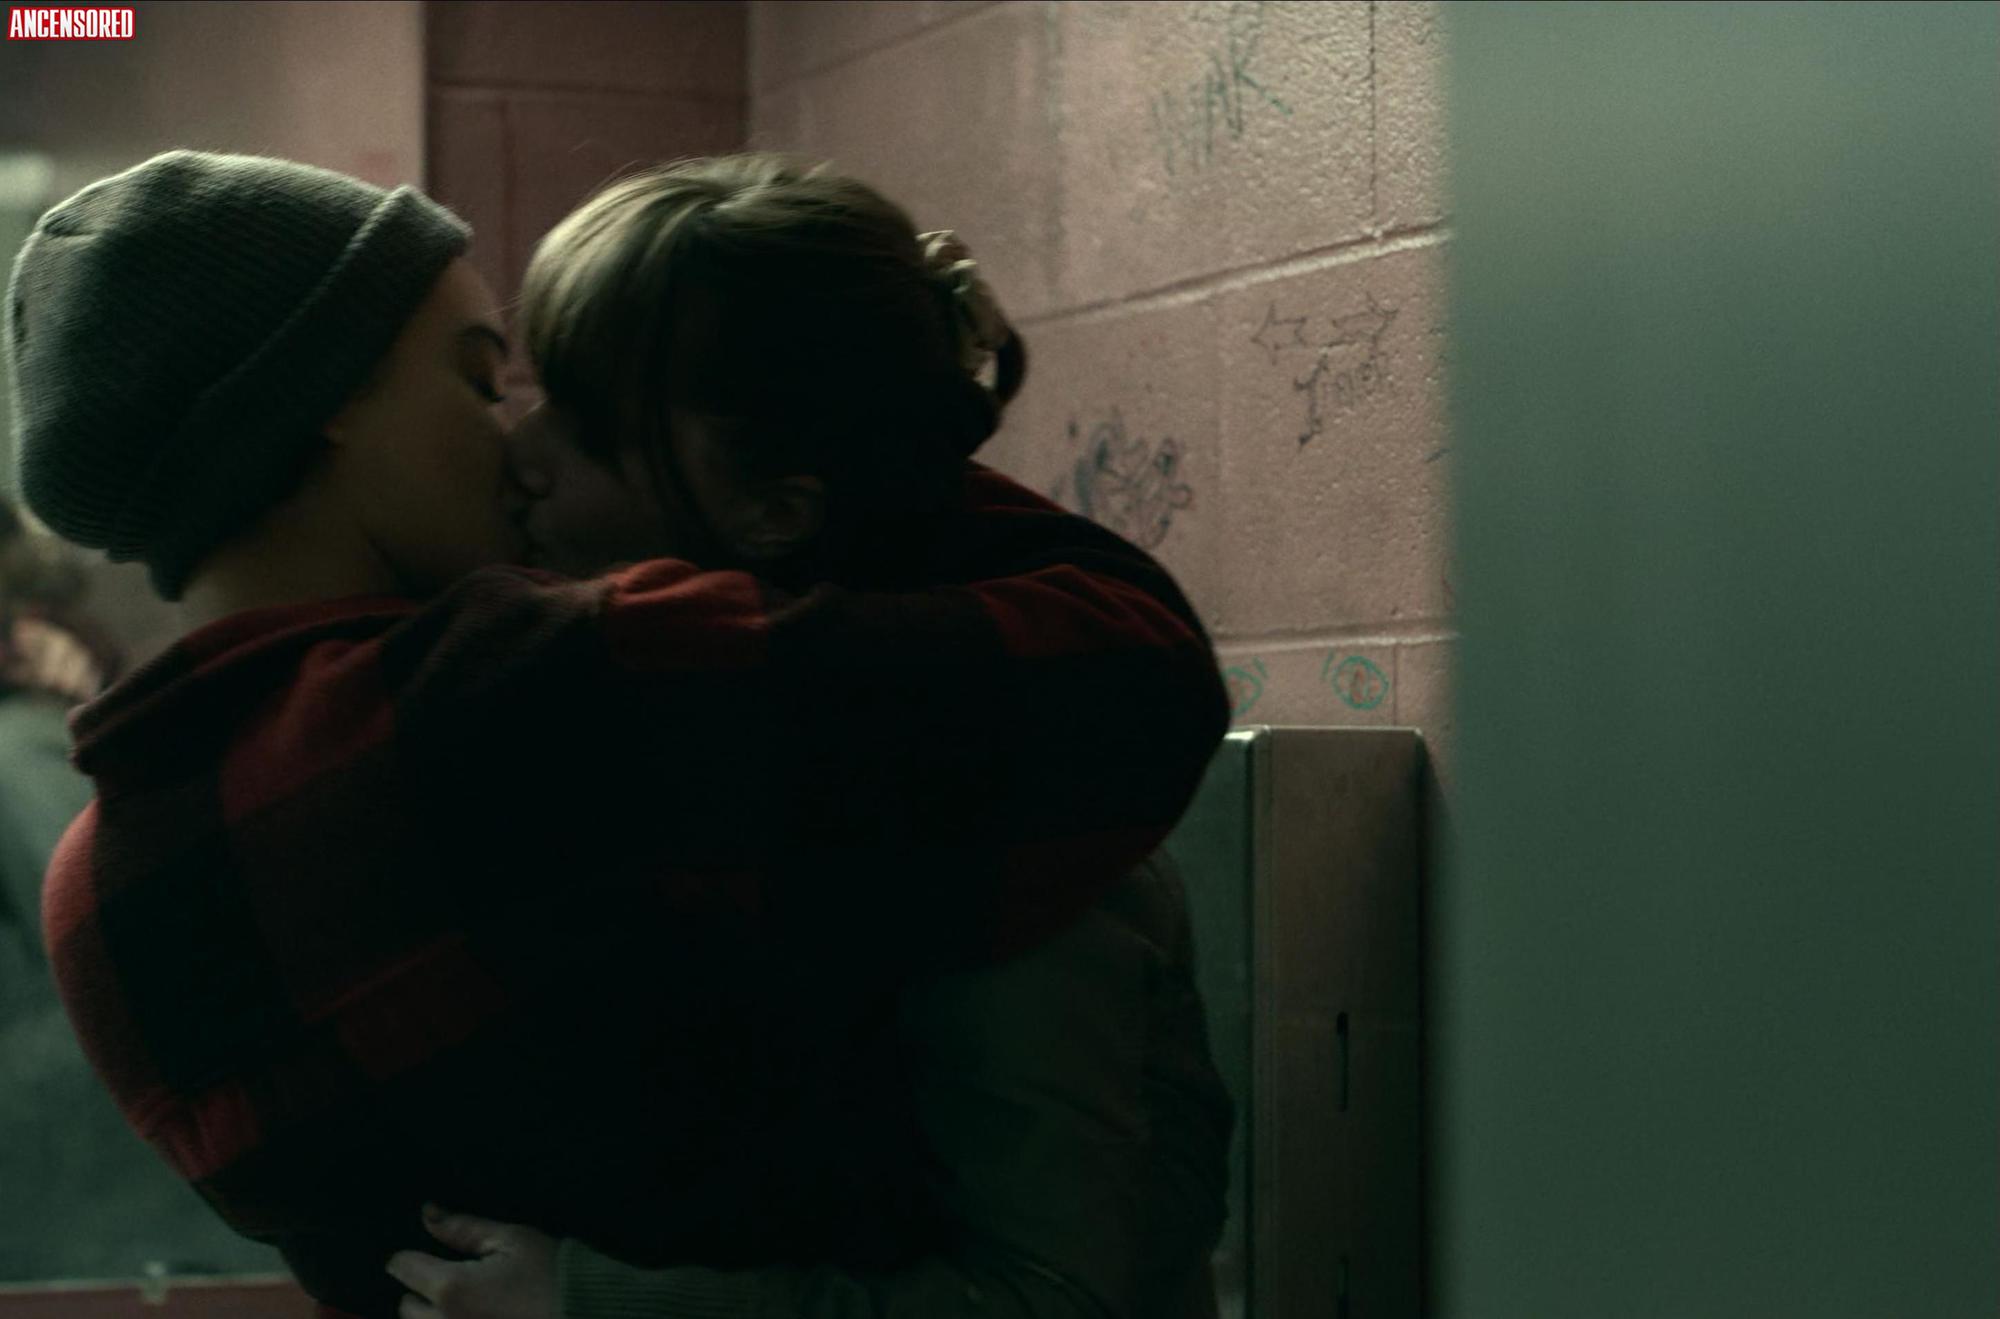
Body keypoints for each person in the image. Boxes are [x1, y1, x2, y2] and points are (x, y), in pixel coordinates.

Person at [5, 151, 1228, 1318]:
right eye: (478, 381)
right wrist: (884, 425)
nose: (513, 441)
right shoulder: (557, 681)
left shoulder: (93, 891)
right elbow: (1137, 672)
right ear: (323, 406)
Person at [366, 161, 1235, 1318]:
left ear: (774, 508)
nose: (522, 450)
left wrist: (592, 1301)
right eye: (531, 394)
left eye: (590, 427)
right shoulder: (758, 757)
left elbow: (1045, 1297)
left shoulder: (994, 819)